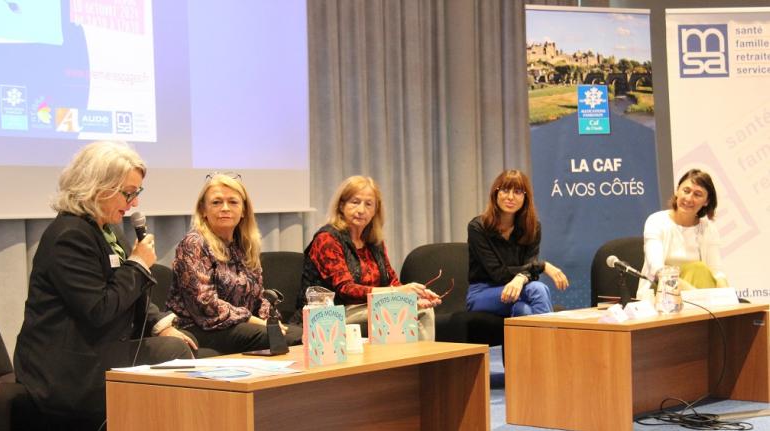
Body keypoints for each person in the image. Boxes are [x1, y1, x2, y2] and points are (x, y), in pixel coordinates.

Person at [14, 141, 195, 417]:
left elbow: (128, 295)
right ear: (98, 187)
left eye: (137, 193)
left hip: (99, 349)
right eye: (129, 193)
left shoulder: (105, 231)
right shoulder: (69, 237)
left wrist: (159, 325)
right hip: (66, 368)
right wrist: (136, 265)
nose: (134, 203)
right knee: (173, 353)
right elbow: (99, 310)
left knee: (190, 346)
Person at [166, 173, 302, 353]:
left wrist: (270, 320)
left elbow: (258, 297)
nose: (225, 208)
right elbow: (205, 303)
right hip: (199, 327)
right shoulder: (194, 243)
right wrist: (256, 322)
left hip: (239, 326)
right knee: (275, 338)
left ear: (244, 210)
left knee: (301, 334)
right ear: (203, 210)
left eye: (233, 202)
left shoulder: (244, 245)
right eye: (216, 202)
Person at [294, 175, 440, 338]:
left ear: (375, 211)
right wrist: (398, 293)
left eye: (368, 204)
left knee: (423, 308)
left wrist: (413, 296)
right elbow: (346, 290)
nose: (361, 210)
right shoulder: (327, 239)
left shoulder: (374, 241)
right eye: (355, 202)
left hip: (367, 307)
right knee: (411, 311)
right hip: (330, 313)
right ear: (341, 205)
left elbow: (391, 280)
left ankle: (419, 363)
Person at [467, 169, 568, 317]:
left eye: (518, 192)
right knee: (537, 289)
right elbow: (498, 274)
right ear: (496, 194)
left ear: (525, 197)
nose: (510, 197)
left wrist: (521, 278)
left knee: (524, 310)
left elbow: (529, 269)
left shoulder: (532, 227)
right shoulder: (478, 227)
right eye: (505, 190)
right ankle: (551, 339)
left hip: (519, 289)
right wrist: (542, 266)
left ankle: (530, 340)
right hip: (483, 293)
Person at [637, 168, 727, 296]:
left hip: (699, 296)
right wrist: (696, 295)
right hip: (661, 293)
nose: (689, 198)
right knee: (698, 269)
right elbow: (657, 270)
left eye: (697, 194)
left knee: (701, 271)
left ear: (706, 201)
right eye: (686, 191)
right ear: (677, 191)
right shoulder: (656, 221)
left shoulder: (708, 228)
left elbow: (716, 271)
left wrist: (726, 294)